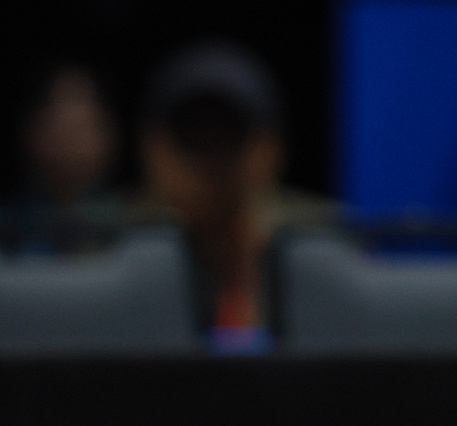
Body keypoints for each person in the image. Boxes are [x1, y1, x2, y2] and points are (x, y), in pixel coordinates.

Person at [139, 42, 325, 350]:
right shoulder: (107, 257)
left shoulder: (320, 251)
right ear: (152, 148)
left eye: (226, 138)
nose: (207, 165)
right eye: (191, 137)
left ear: (270, 150)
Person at [4, 63, 128, 254]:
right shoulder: (10, 224)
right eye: (58, 128)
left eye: (82, 128)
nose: (70, 144)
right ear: (31, 130)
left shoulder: (132, 222)